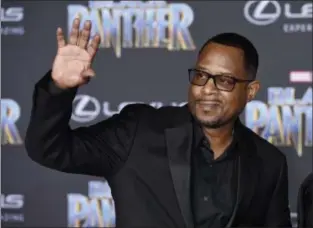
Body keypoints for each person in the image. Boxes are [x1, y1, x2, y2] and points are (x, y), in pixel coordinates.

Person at [25, 18, 292, 228]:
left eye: (224, 81)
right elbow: (48, 149)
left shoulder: (270, 163)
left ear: (251, 90)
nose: (207, 89)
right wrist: (58, 87)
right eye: (201, 75)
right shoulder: (138, 131)